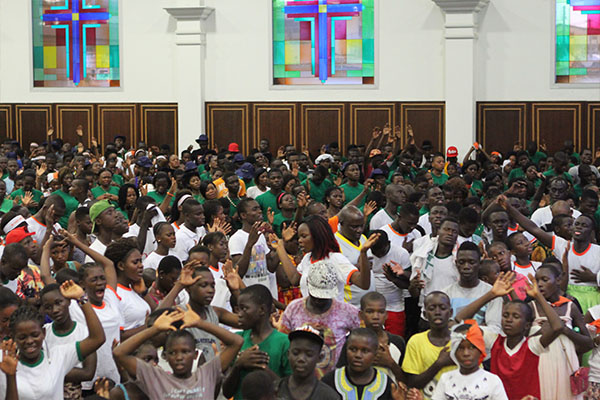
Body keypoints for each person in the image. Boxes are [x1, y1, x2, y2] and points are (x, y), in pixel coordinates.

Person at [455, 271, 565, 400]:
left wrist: (538, 296)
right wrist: (491, 294)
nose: (509, 320)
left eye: (516, 316)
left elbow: (558, 327)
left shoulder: (533, 345)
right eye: (505, 315)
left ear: (527, 325)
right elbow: (460, 321)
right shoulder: (494, 340)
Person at [112, 307, 244, 400]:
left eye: (185, 352)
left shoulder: (207, 373)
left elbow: (237, 342)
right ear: (165, 356)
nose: (179, 357)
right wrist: (155, 329)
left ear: (195, 354)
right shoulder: (155, 378)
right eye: (172, 353)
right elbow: (119, 353)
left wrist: (200, 323)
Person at [9, 280, 105, 400]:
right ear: (13, 337)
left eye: (35, 335)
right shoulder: (7, 364)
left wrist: (82, 298)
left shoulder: (58, 356)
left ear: (43, 333)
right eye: (22, 337)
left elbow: (98, 338)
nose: (29, 341)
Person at [279, 259, 361, 377]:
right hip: (300, 377)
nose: (318, 300)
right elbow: (283, 342)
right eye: (315, 296)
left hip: (334, 378)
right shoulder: (294, 309)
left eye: (323, 298)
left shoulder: (347, 311)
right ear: (308, 284)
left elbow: (363, 338)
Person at [273, 215, 376, 303]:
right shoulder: (307, 259)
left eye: (304, 236)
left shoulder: (335, 259)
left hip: (333, 317)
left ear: (317, 236)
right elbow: (294, 279)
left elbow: (363, 284)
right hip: (310, 317)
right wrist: (280, 247)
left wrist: (363, 253)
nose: (299, 240)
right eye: (299, 237)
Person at [223, 284, 292, 400]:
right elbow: (227, 392)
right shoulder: (237, 340)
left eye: (244, 308)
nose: (239, 314)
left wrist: (262, 367)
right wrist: (238, 365)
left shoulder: (284, 342)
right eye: (238, 309)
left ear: (262, 310)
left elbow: (289, 391)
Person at [40, 283, 97, 400]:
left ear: (69, 301)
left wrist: (50, 369)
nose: (55, 310)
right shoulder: (43, 333)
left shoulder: (84, 332)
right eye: (48, 307)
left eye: (58, 302)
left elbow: (88, 373)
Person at [337, 292, 406, 382]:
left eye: (380, 312)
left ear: (386, 315)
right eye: (370, 312)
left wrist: (390, 363)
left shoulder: (397, 342)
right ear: (361, 315)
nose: (375, 317)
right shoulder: (352, 341)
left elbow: (407, 379)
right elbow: (341, 374)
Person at [432, 321, 508, 400]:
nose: (466, 353)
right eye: (460, 348)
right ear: (454, 352)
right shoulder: (446, 379)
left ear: (480, 349)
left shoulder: (493, 381)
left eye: (472, 348)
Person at [402, 291, 457, 398]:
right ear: (425, 314)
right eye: (432, 308)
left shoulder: (460, 341)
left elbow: (475, 376)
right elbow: (412, 383)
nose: (437, 312)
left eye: (442, 308)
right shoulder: (416, 341)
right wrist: (439, 364)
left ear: (450, 313)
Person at [443, 241, 502, 331]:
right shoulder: (445, 294)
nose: (466, 266)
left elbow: (494, 329)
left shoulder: (493, 293)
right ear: (456, 263)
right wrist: (480, 327)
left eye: (471, 262)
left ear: (479, 264)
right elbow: (444, 328)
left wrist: (457, 327)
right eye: (462, 262)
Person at [322, 328, 396, 399]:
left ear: (375, 354)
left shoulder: (386, 384)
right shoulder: (330, 381)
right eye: (353, 349)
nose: (358, 355)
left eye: (365, 351)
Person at [229, 198, 279, 298]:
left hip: (265, 292)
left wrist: (282, 245)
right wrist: (249, 244)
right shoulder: (236, 238)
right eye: (254, 209)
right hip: (249, 296)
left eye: (259, 208)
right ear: (243, 215)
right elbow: (239, 272)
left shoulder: (260, 235)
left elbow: (271, 267)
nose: (259, 211)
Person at [276, 324, 340, 400]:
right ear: (288, 354)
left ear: (320, 358)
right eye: (296, 353)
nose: (301, 359)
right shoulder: (275, 390)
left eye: (309, 354)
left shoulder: (329, 396)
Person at [105, 237, 152, 340]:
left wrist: (144, 293)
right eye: (135, 262)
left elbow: (157, 313)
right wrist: (149, 326)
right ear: (121, 266)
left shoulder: (134, 288)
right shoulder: (114, 293)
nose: (141, 265)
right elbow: (118, 335)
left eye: (141, 261)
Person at [369, 230, 411, 336]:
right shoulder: (366, 252)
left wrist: (395, 278)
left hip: (394, 308)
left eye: (381, 251)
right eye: (374, 251)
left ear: (388, 243)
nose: (378, 254)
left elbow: (408, 285)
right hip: (370, 308)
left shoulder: (401, 253)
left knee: (394, 341)